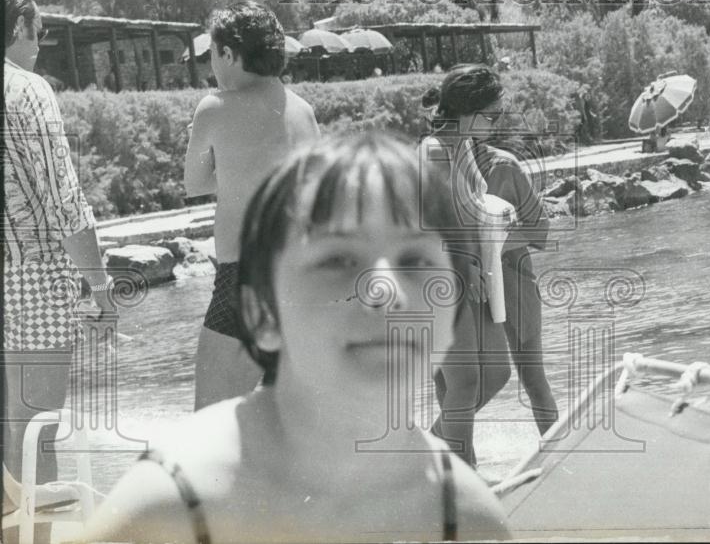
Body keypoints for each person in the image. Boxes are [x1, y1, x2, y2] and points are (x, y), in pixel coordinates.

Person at [80, 133, 510, 543]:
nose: (385, 290)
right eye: (338, 259)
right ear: (261, 314)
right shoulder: (173, 503)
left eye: (416, 260)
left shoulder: (463, 515)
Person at [3, 0, 114, 544]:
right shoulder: (26, 90)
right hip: (32, 274)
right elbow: (65, 203)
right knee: (35, 431)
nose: (42, 43)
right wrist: (101, 290)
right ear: (18, 27)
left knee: (6, 435)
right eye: (40, 31)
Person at [185, 1, 319, 410]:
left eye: (213, 54)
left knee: (210, 420)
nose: (212, 66)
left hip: (245, 276)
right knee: (286, 420)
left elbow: (194, 184)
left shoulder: (215, 108)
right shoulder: (303, 111)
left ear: (230, 54)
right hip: (302, 275)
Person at [420, 66, 515, 469]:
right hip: (441, 276)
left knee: (495, 373)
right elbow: (434, 220)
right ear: (467, 110)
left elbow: (467, 207)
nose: (496, 123)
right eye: (490, 116)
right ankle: (457, 474)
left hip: (470, 274)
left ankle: (440, 455)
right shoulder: (435, 149)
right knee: (464, 383)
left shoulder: (460, 146)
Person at [470, 81, 558, 439]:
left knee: (532, 377)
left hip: (513, 282)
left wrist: (491, 245)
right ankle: (461, 463)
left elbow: (540, 233)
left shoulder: (504, 167)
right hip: (469, 287)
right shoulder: (439, 167)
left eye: (493, 116)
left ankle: (558, 461)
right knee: (465, 380)